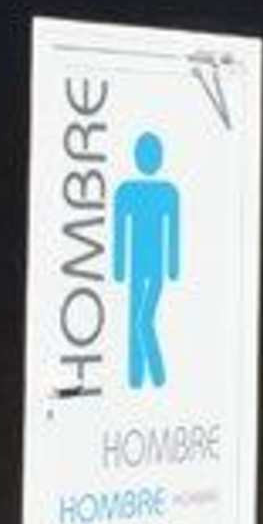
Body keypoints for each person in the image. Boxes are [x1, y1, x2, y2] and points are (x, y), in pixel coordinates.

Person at [113, 132, 180, 390]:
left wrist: (173, 266)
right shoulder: (126, 191)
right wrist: (119, 267)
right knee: (134, 319)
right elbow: (120, 231)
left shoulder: (168, 192)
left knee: (142, 320)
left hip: (155, 267)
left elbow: (172, 232)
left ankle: (157, 373)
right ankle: (136, 377)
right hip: (136, 266)